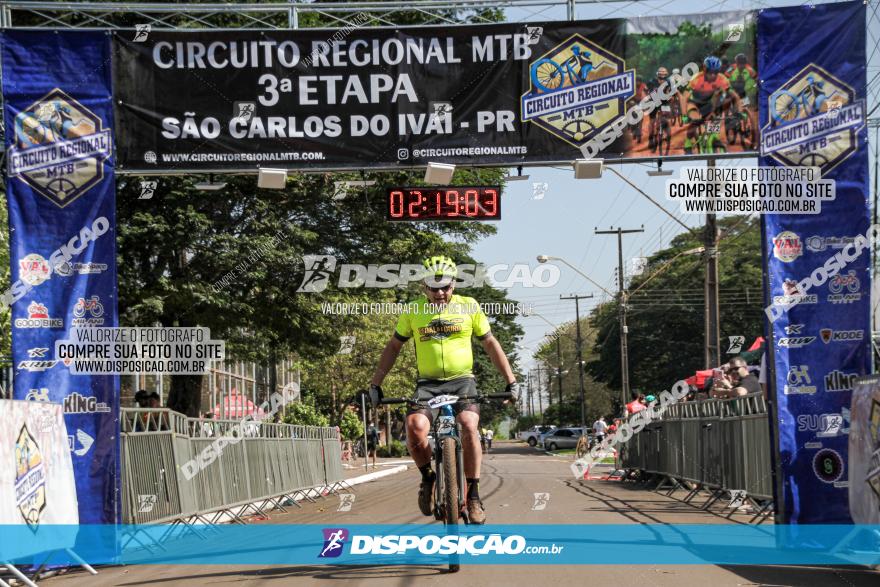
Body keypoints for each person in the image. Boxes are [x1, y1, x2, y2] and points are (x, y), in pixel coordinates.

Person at [368, 255, 518, 525]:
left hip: (463, 381)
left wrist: (511, 380)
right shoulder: (413, 311)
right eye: (433, 287)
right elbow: (393, 347)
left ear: (454, 286)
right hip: (427, 384)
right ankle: (428, 477)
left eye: (445, 287)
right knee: (414, 427)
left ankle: (472, 495)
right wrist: (375, 384)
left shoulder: (469, 306)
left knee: (469, 424)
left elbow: (490, 344)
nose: (440, 293)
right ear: (423, 287)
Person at [680, 56, 742, 153]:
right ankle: (688, 141)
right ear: (705, 70)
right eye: (710, 72)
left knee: (715, 118)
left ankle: (714, 138)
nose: (713, 75)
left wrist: (739, 112)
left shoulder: (722, 79)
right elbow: (684, 97)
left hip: (709, 104)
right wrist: (684, 115)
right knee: (695, 120)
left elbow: (736, 97)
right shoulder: (696, 78)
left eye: (716, 72)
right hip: (695, 103)